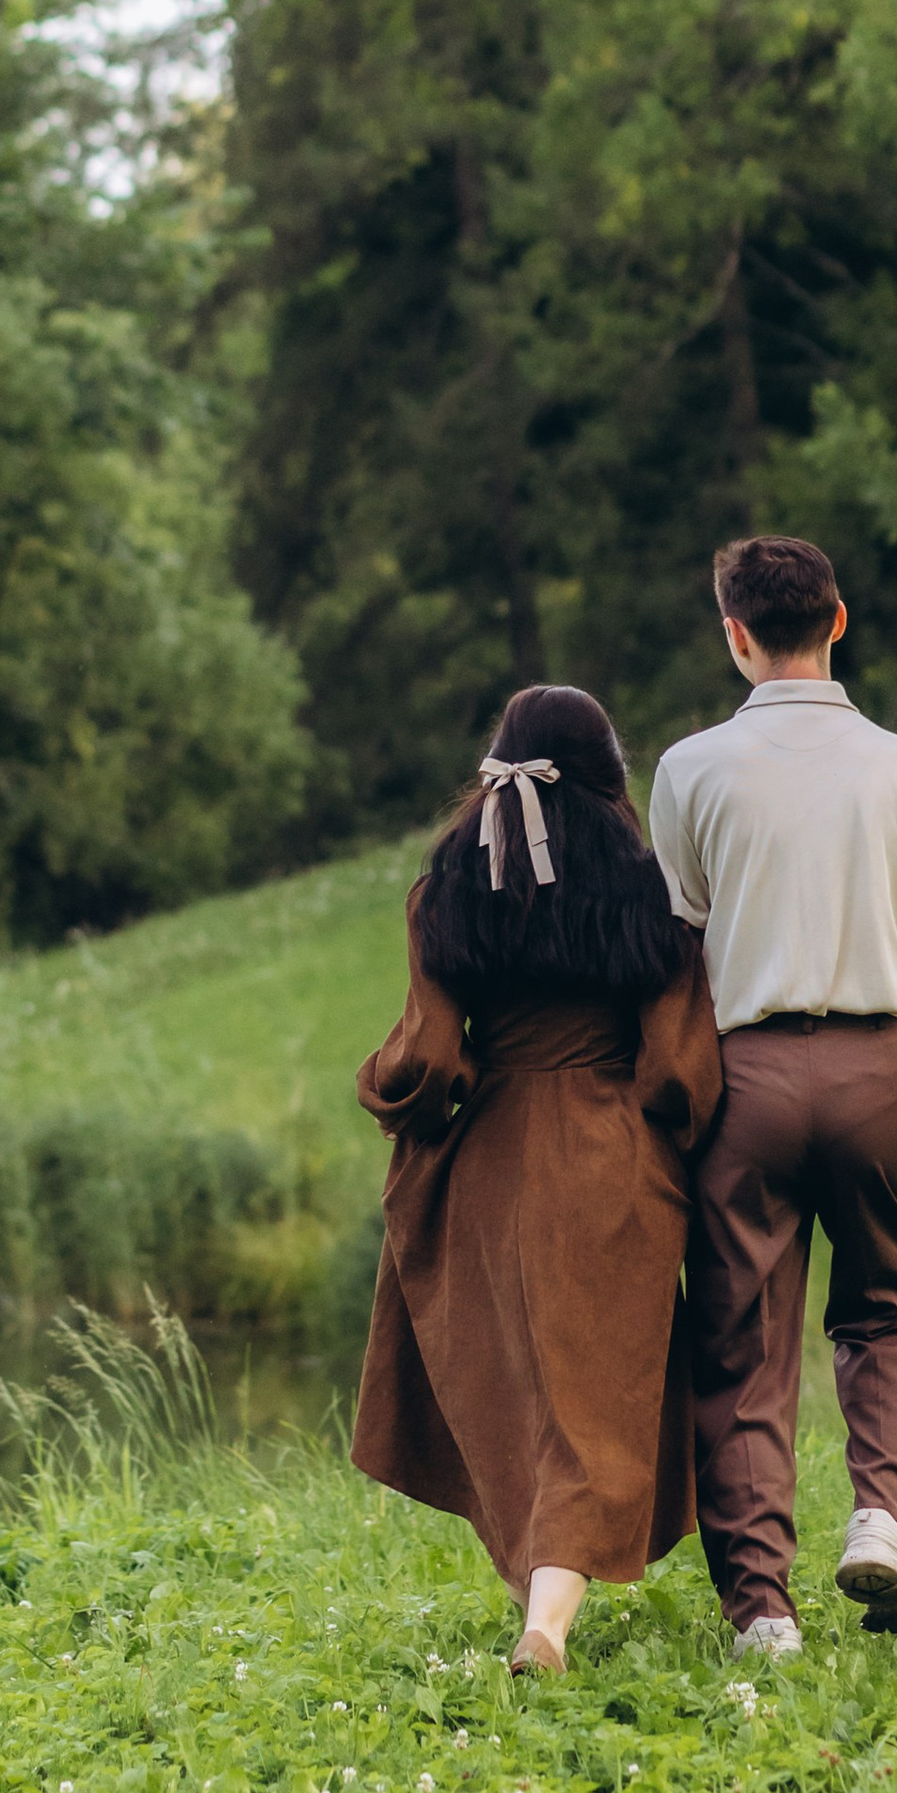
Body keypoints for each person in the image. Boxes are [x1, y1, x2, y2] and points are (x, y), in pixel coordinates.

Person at [648, 535, 897, 1661]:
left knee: (741, 1343)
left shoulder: (689, 770)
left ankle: (761, 1610)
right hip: (874, 1077)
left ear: (734, 634)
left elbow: (678, 958)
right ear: (839, 621)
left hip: (740, 1085)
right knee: (884, 1309)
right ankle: (880, 1522)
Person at [353, 683, 724, 1674]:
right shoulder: (650, 890)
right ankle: (545, 1624)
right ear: (608, 773)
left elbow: (429, 1057)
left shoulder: (445, 890)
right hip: (608, 1152)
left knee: (509, 1380)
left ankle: (538, 1610)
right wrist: (659, 1132)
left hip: (485, 1157)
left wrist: (387, 1088)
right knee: (595, 1393)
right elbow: (680, 1065)